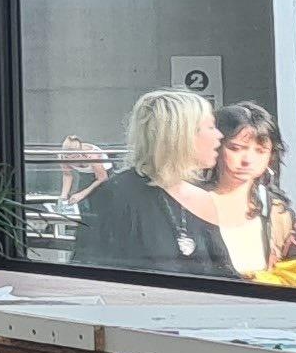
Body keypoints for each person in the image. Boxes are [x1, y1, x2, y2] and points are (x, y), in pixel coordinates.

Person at [67, 88, 227, 274]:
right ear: (181, 135)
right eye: (210, 127)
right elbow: (93, 275)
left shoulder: (202, 196)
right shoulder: (115, 197)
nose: (219, 135)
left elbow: (223, 272)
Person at [195, 99, 296, 280]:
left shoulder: (279, 214)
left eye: (260, 150)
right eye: (236, 148)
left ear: (271, 156)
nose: (248, 159)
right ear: (216, 147)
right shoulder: (187, 203)